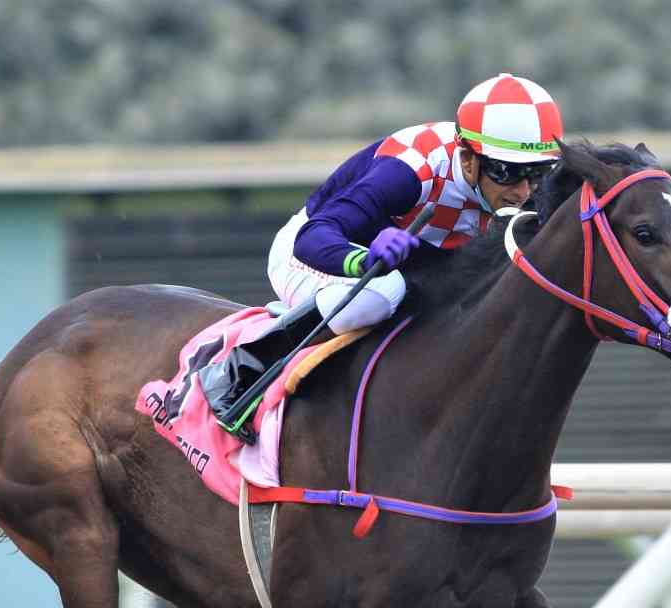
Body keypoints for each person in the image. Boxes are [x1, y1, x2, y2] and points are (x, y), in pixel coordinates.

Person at [202, 72, 565, 428]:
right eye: (506, 172)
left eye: (536, 173)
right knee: (385, 290)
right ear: (468, 159)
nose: (523, 191)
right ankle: (241, 368)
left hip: (414, 265)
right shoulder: (411, 171)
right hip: (313, 255)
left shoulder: (527, 188)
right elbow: (312, 237)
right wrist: (361, 260)